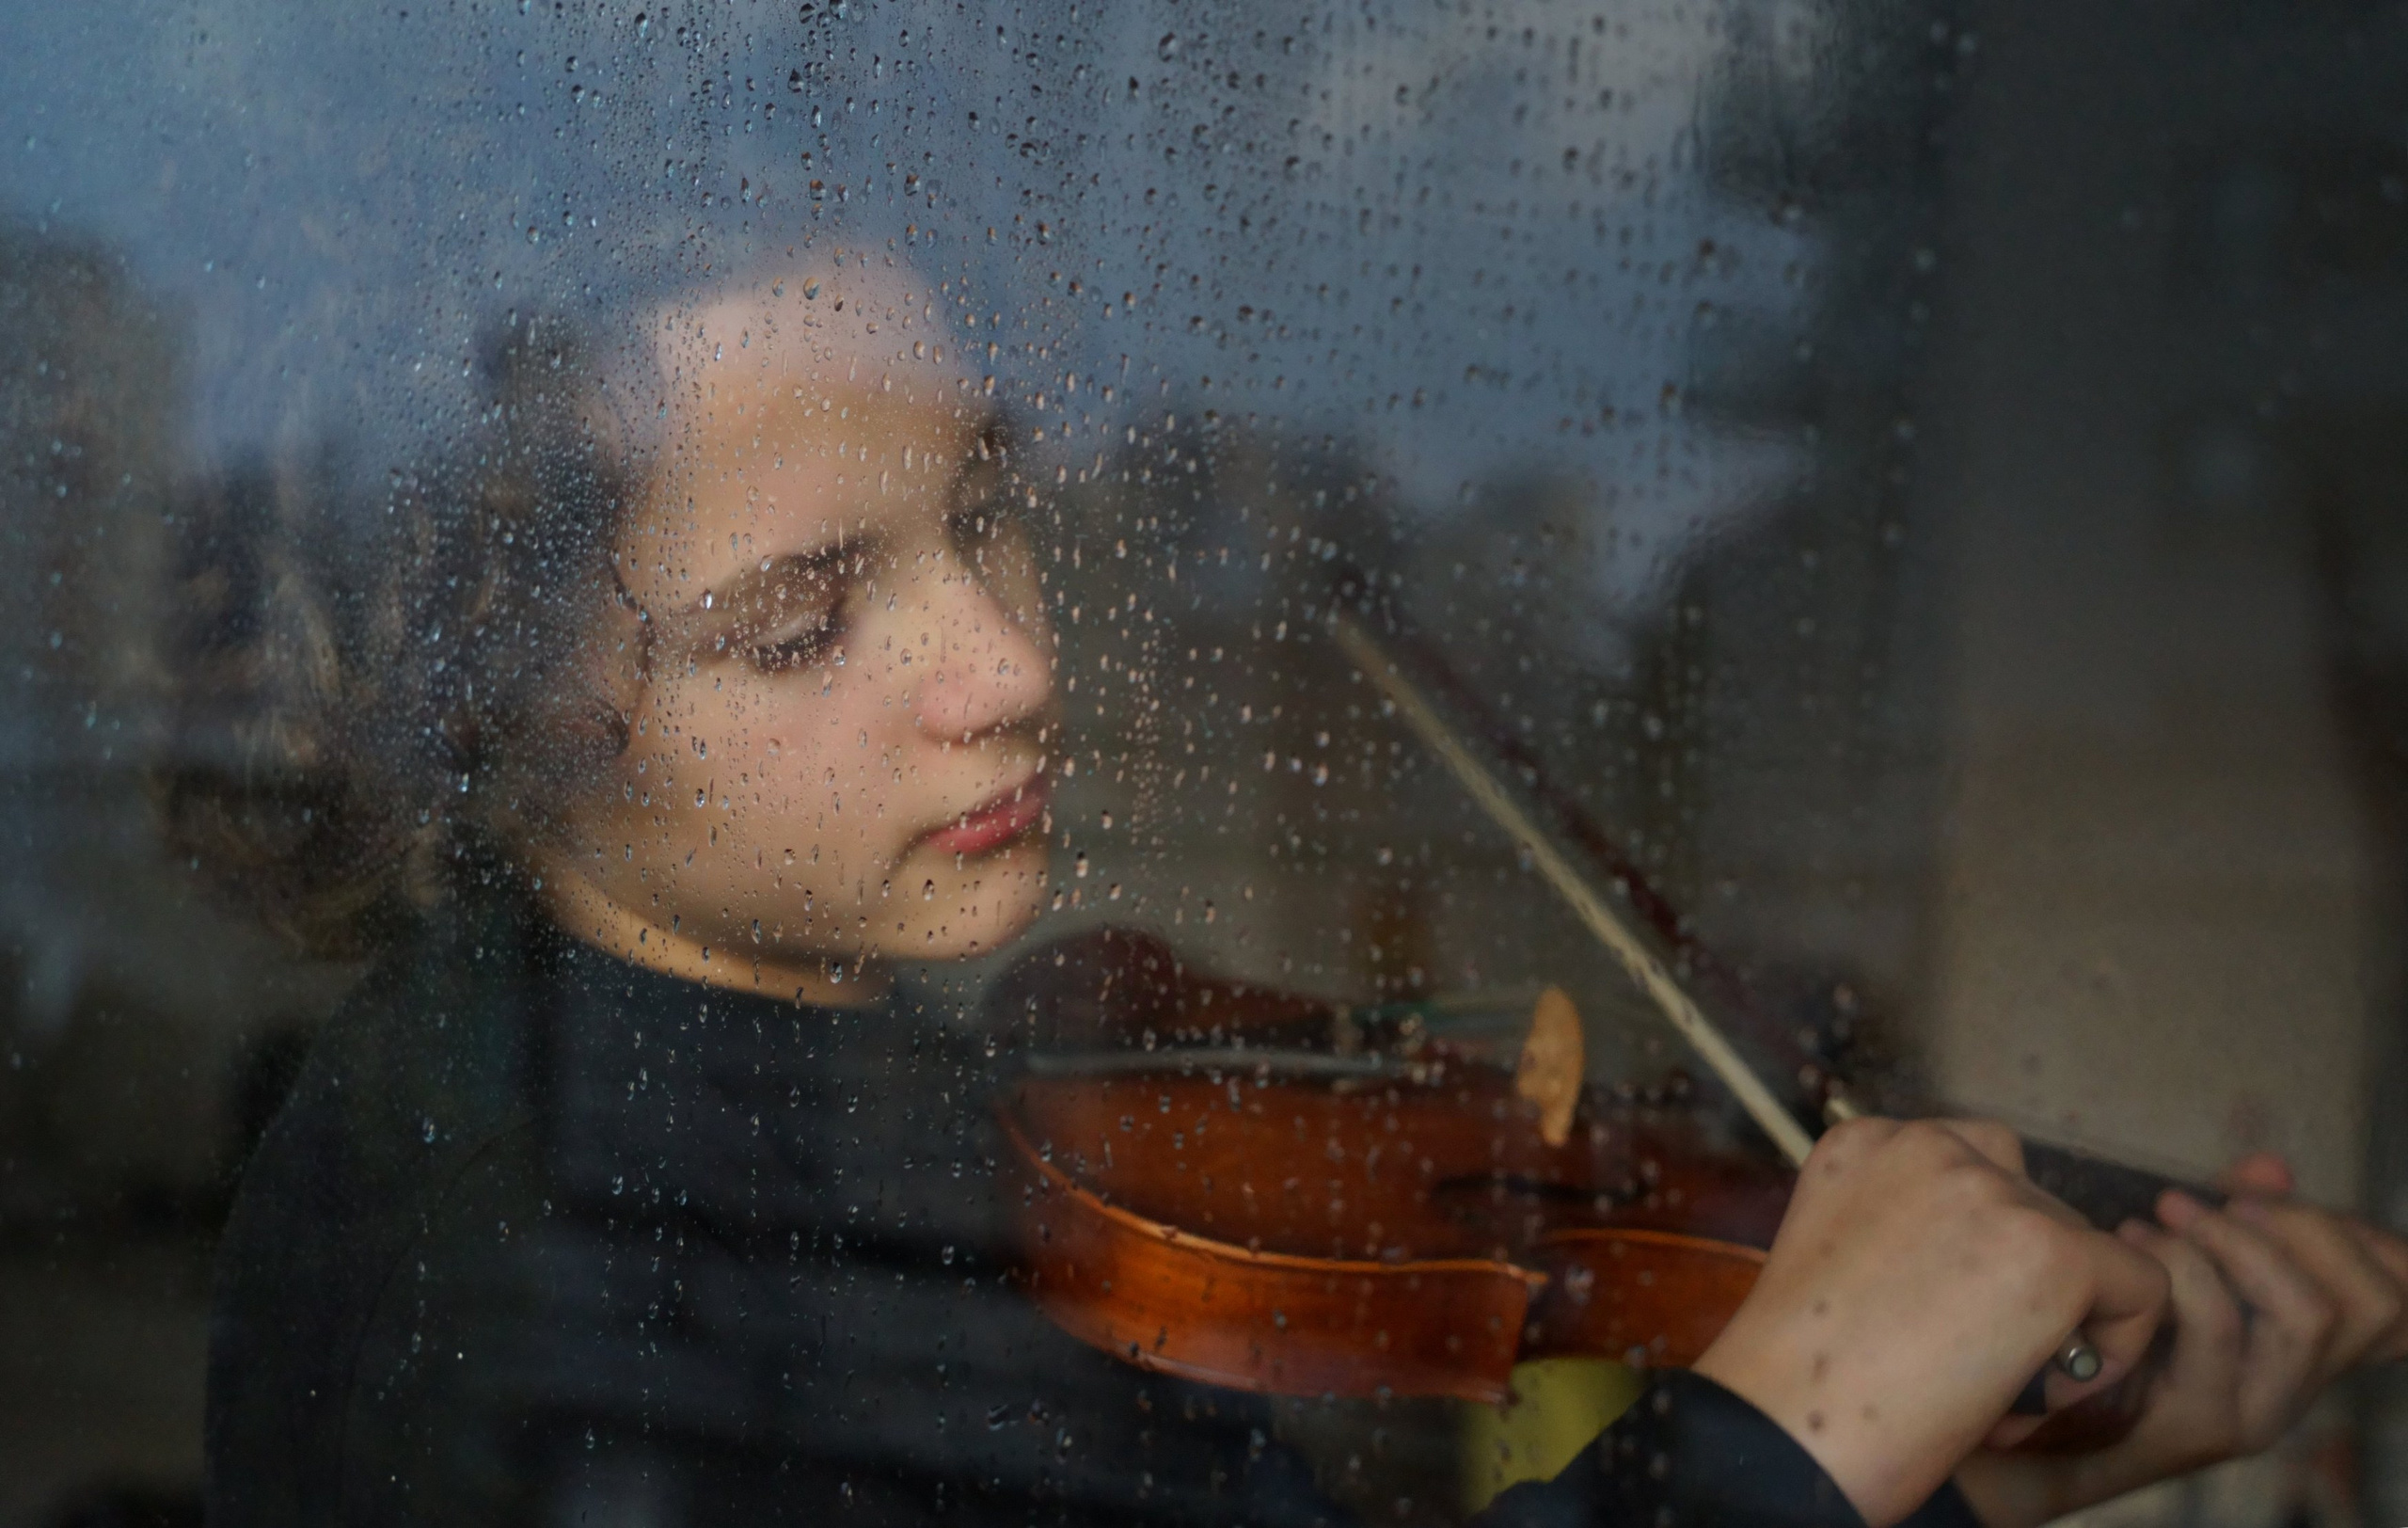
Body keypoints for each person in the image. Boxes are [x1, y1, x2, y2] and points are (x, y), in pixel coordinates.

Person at [177, 253, 2408, 1528]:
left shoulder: (780, 1086)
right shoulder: (548, 1212)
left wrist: (1942, 1465)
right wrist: (1777, 1447)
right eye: (802, 615)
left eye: (985, 510)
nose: (1013, 664)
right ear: (493, 698)